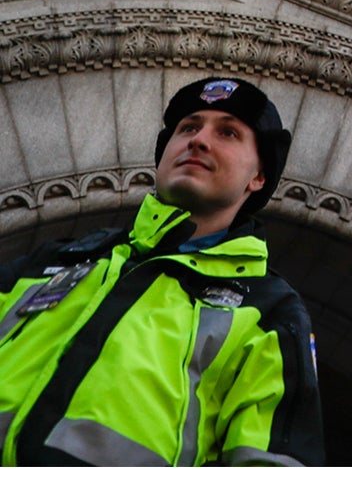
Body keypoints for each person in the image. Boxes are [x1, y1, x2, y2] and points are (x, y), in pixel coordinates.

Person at [0, 75, 322, 465]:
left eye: (228, 133)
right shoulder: (56, 259)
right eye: (188, 127)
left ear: (258, 177)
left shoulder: (269, 310)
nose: (199, 140)